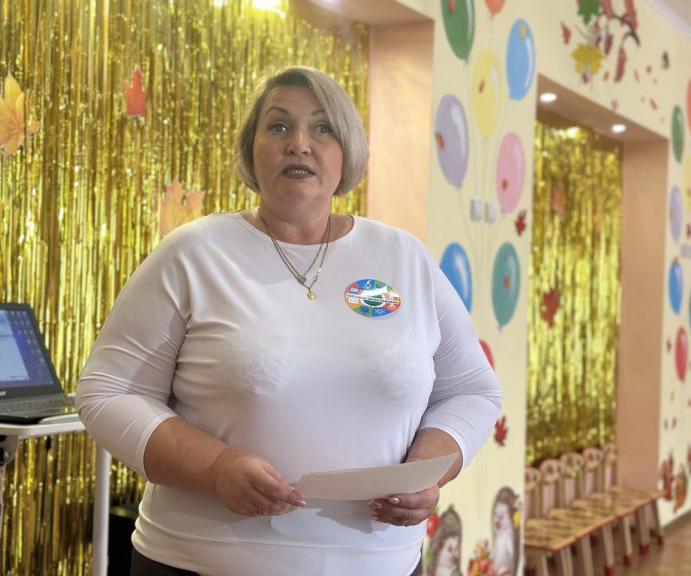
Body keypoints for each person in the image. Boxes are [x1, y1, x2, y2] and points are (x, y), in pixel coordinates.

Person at [76, 65, 502, 576]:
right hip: (198, 563)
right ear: (251, 150)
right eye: (278, 126)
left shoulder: (404, 258)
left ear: (347, 152)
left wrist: (428, 472)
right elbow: (108, 392)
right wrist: (217, 468)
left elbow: (473, 391)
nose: (299, 143)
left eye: (322, 127)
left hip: (383, 563)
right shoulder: (193, 253)